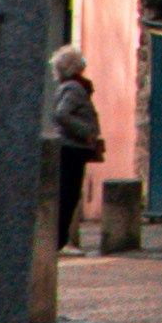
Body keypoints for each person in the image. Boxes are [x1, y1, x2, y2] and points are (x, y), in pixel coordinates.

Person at [42, 41, 104, 248]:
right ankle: (58, 239)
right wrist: (86, 133)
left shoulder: (71, 87)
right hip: (72, 149)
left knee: (68, 194)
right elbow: (62, 114)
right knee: (69, 194)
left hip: (72, 149)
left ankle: (58, 238)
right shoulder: (75, 88)